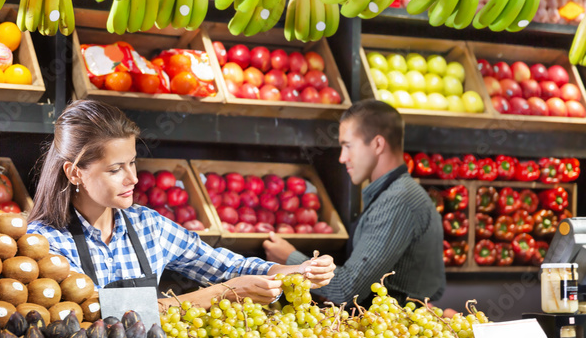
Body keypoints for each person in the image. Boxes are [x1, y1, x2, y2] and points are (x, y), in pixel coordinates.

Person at [26, 99, 336, 310]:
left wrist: (293, 270)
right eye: (115, 169)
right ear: (75, 173)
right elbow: (99, 312)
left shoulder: (148, 226)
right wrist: (219, 295)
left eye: (132, 163)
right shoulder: (45, 240)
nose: (132, 179)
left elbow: (224, 266)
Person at [264, 99, 446, 306]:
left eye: (348, 146)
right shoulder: (397, 193)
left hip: (393, 331)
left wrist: (290, 259)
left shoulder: (398, 200)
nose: (342, 158)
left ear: (377, 144)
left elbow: (347, 288)